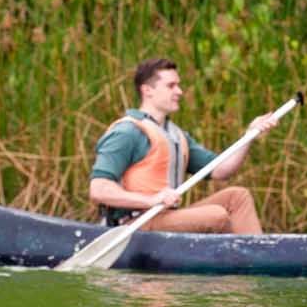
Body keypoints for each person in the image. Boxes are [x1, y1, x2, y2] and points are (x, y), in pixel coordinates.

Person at [87, 58, 278, 233]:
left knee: (237, 197)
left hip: (165, 218)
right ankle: (238, 260)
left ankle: (260, 257)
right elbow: (99, 189)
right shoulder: (127, 132)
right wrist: (152, 200)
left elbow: (221, 170)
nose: (179, 91)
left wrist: (250, 135)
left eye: (178, 85)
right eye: (171, 86)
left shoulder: (176, 136)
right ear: (147, 91)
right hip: (134, 224)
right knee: (215, 215)